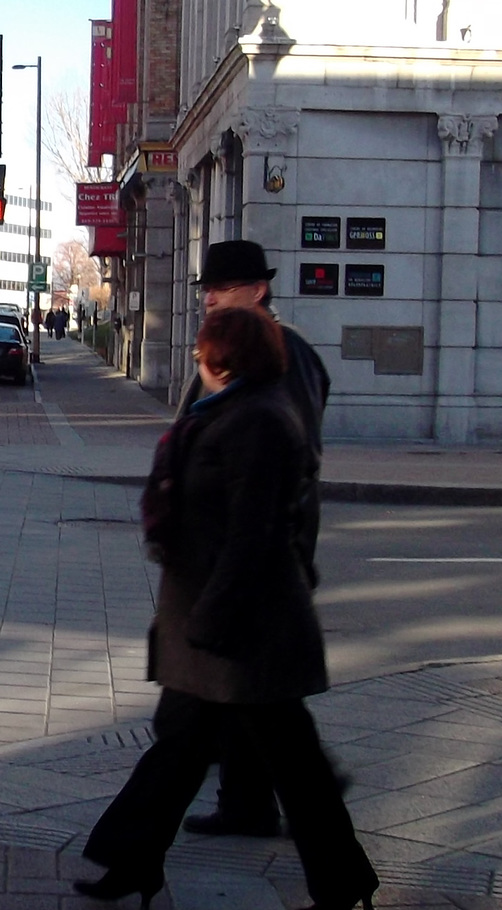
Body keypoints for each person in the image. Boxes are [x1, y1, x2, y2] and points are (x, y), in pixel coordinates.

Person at [73, 306, 378, 910]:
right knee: (182, 749)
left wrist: (212, 618)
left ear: (228, 357)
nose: (195, 358)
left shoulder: (260, 421)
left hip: (247, 627)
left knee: (294, 764)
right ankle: (133, 860)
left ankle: (343, 879)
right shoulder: (228, 412)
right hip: (215, 621)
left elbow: (255, 533)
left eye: (204, 348)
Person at [179, 239, 331, 839]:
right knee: (248, 690)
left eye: (223, 287)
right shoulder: (229, 348)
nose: (210, 296)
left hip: (259, 551)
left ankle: (312, 812)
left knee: (255, 692)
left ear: (258, 291)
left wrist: (283, 552)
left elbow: (288, 462)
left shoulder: (280, 354)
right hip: (228, 553)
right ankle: (249, 802)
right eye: (207, 289)